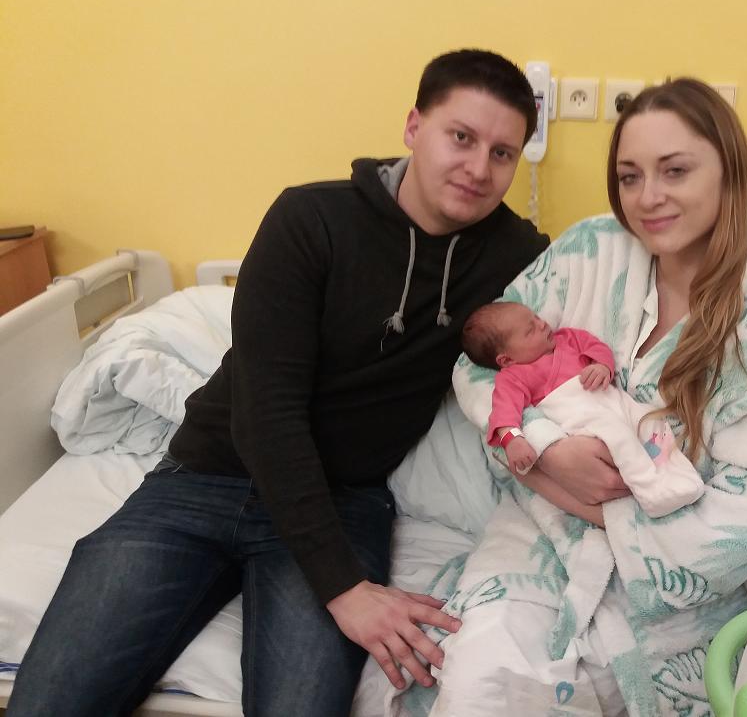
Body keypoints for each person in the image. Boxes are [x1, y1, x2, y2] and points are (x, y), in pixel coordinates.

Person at [7, 49, 550, 717]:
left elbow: (604, 281)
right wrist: (345, 589)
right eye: (460, 137)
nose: (479, 168)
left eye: (502, 153)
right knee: (52, 700)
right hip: (202, 481)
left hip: (343, 499)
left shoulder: (515, 255)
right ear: (414, 126)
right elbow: (267, 411)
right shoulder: (310, 220)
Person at [391, 78, 747, 716]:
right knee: (475, 684)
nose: (648, 197)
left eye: (675, 171)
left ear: (729, 170)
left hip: (660, 593)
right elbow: (479, 367)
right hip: (535, 529)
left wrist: (593, 504)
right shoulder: (592, 250)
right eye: (630, 176)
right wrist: (548, 455)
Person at [460, 301, 704, 517]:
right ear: (507, 360)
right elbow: (504, 413)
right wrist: (513, 440)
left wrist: (602, 366)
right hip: (582, 417)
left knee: (650, 422)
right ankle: (652, 493)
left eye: (536, 317)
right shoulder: (513, 377)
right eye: (530, 330)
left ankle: (680, 476)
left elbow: (597, 348)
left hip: (613, 400)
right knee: (620, 438)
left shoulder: (567, 338)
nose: (542, 324)